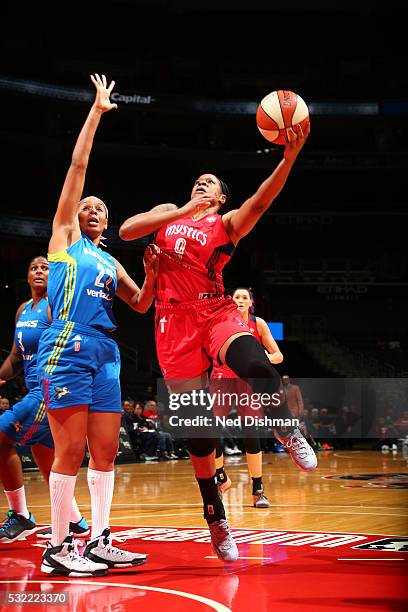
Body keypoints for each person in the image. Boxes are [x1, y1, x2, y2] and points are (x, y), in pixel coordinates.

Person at [119, 118, 316, 562]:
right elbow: (128, 230)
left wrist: (289, 158)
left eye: (210, 184)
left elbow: (262, 202)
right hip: (172, 323)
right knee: (199, 435)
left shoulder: (224, 225)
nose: (201, 185)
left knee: (257, 365)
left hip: (214, 311)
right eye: (198, 181)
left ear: (222, 198)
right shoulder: (171, 213)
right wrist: (183, 209)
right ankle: (216, 516)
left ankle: (286, 429)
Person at [36, 74, 158, 577]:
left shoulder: (110, 263)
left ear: (106, 223)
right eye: (87, 205)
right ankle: (59, 547)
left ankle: (101, 539)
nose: (91, 209)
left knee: (105, 449)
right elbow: (78, 165)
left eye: (99, 208)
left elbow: (142, 304)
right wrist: (97, 112)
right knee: (70, 448)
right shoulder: (65, 240)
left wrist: (154, 268)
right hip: (66, 343)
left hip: (106, 353)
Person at [0, 257, 88, 543]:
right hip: (35, 391)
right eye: (34, 267)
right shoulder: (24, 310)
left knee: (2, 440)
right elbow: (16, 357)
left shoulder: (56, 306)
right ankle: (75, 521)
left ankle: (21, 516)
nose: (39, 271)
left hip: (49, 391)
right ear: (27, 276)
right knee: (50, 464)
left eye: (45, 267)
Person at [211, 287, 283, 508]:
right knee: (210, 428)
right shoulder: (221, 321)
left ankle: (257, 489)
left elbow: (279, 356)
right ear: (230, 301)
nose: (240, 300)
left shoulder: (258, 324)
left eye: (244, 298)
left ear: (251, 302)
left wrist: (260, 358)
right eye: (236, 297)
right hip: (222, 377)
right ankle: (220, 477)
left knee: (251, 433)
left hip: (247, 380)